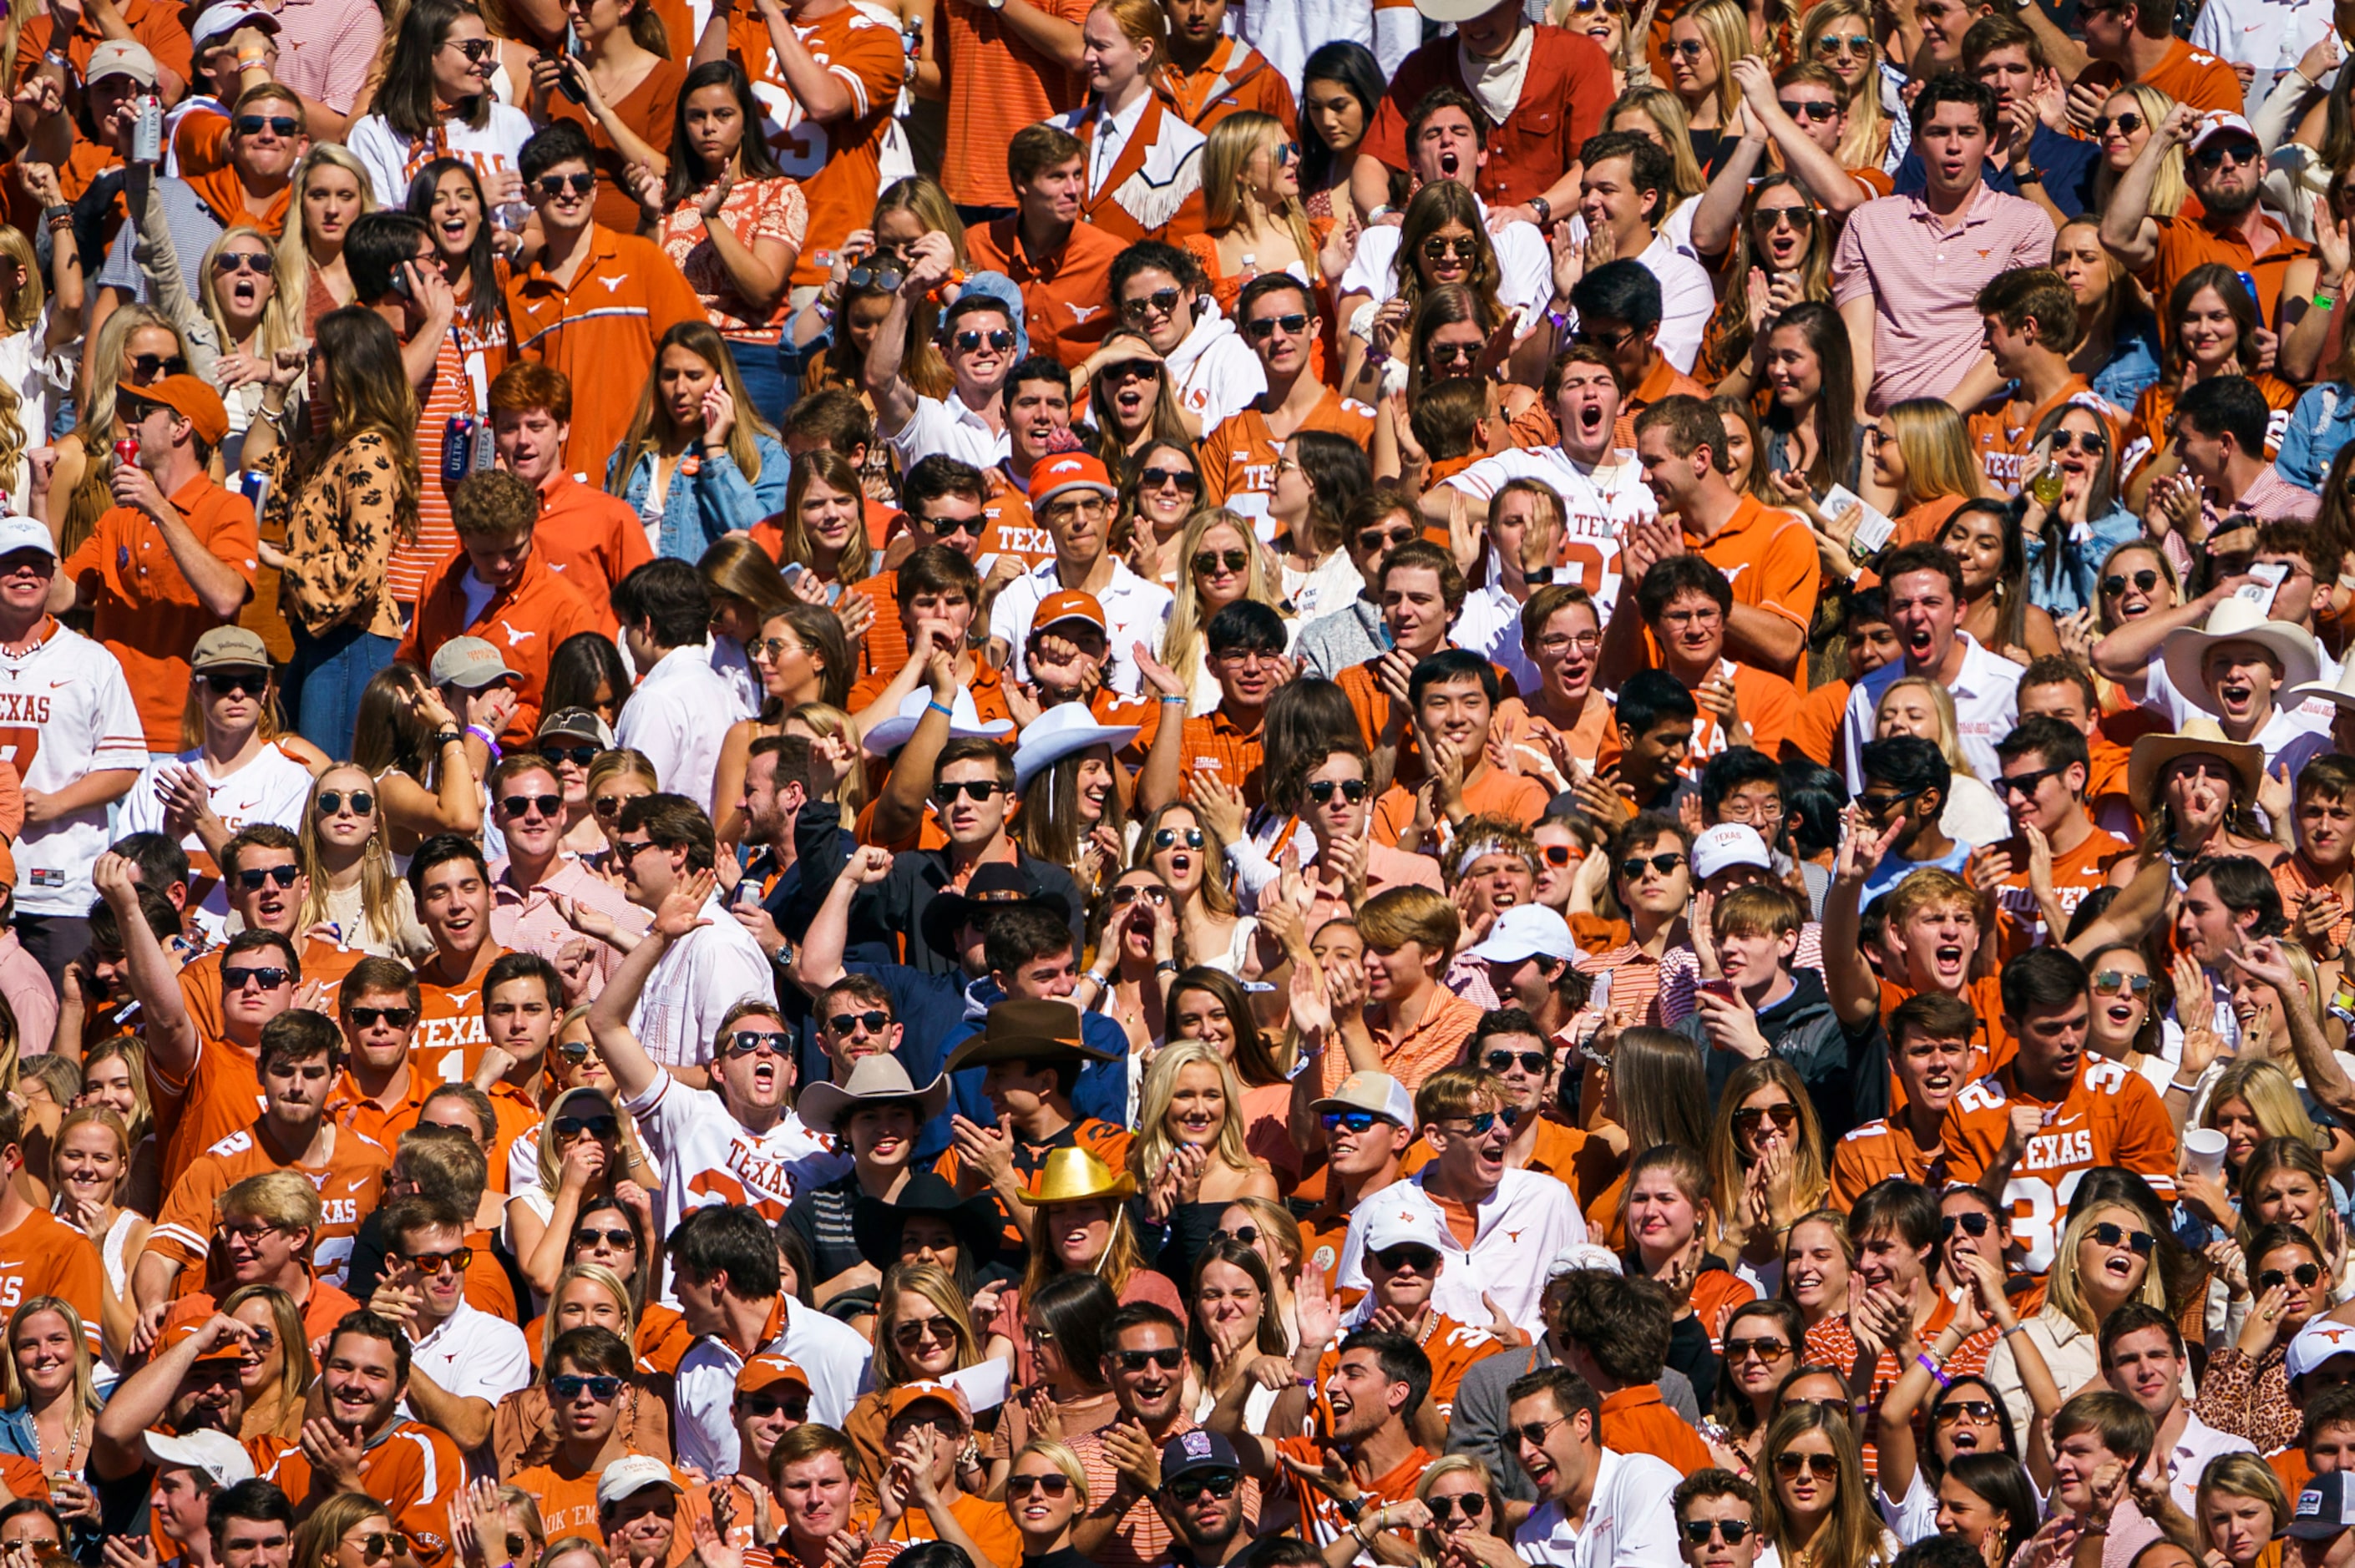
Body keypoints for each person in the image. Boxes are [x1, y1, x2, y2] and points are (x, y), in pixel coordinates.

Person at [240, 306, 416, 755]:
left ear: (346, 365)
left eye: (318, 353)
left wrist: (285, 562)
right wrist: (277, 388)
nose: (309, 361)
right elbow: (257, 470)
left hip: (352, 642)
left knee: (330, 782)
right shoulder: (331, 448)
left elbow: (366, 565)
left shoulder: (369, 452)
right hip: (318, 638)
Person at [55, 376, 256, 761]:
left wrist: (160, 509)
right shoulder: (119, 517)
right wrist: (39, 497)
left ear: (182, 428)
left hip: (185, 739)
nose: (132, 423)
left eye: (147, 413)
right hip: (109, 735)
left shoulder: (228, 508)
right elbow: (59, 596)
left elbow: (227, 597)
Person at [1835, 77, 2057, 416]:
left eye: (1967, 133)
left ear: (1989, 140)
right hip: (1883, 428)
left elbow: (2012, 341)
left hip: (1973, 424)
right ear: (1917, 143)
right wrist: (1857, 417)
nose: (1953, 146)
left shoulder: (2025, 224)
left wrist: (1938, 421)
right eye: (1938, 133)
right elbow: (1857, 338)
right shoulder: (1870, 222)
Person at [504, 121, 705, 480]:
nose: (569, 193)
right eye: (552, 184)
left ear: (595, 190)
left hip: (644, 476)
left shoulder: (642, 258)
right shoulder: (519, 295)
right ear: (528, 195)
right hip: (564, 488)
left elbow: (702, 359)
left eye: (580, 182)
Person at [395, 472, 602, 749]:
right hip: (437, 750)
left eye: (513, 550)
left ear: (531, 530)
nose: (502, 565)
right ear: (464, 539)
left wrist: (482, 720)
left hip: (519, 765)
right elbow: (410, 666)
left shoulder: (565, 606)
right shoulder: (439, 583)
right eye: (485, 554)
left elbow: (572, 712)